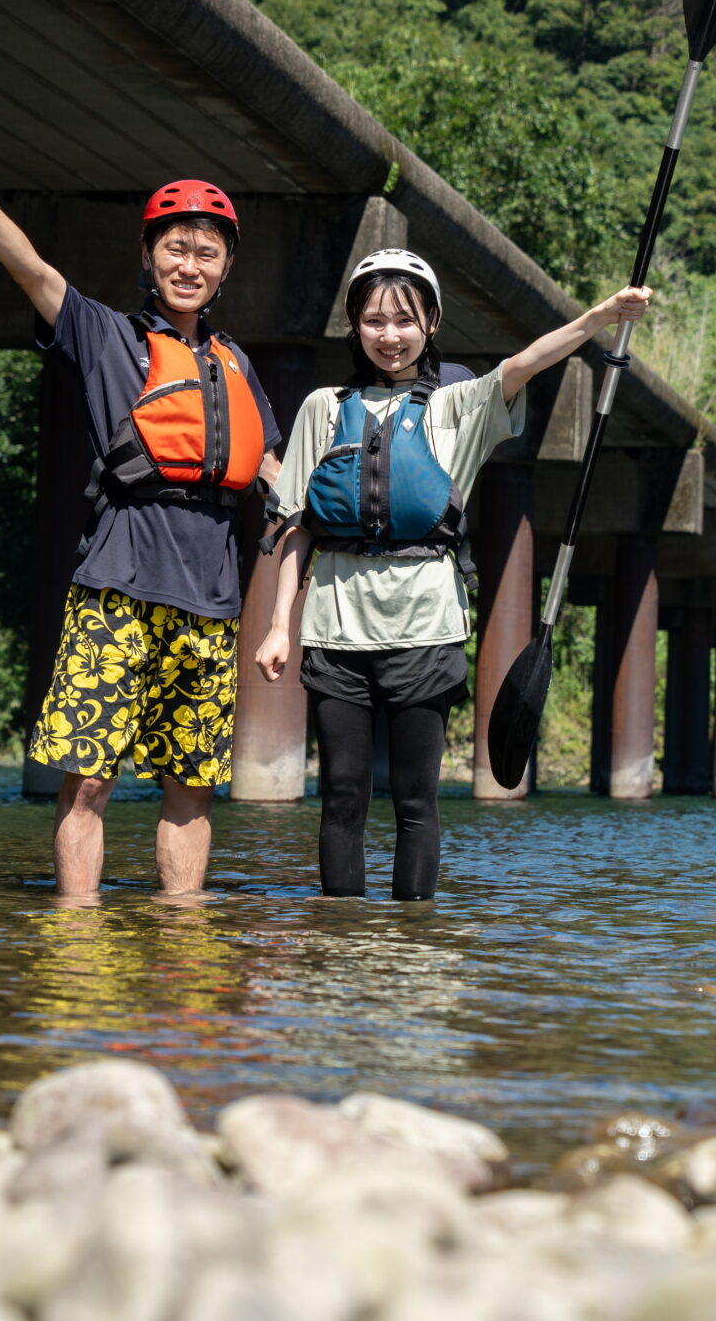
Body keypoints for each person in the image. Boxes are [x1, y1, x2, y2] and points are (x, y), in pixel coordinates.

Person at [0, 139, 281, 896]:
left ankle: (181, 933)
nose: (191, 265)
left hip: (212, 603)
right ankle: (77, 931)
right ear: (150, 255)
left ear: (225, 269)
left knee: (191, 787)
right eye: (177, 248)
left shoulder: (238, 366)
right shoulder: (107, 336)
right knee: (88, 780)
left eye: (208, 253)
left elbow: (277, 477)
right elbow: (34, 271)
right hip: (116, 589)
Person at [255, 249, 651, 902]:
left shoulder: (457, 406)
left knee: (415, 801)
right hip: (334, 628)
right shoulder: (323, 407)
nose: (389, 335)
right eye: (374, 320)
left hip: (424, 626)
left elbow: (526, 361)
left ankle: (413, 958)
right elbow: (297, 526)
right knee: (343, 798)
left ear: (432, 323)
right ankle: (338, 950)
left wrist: (602, 317)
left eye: (404, 320)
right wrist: (278, 628)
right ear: (355, 325)